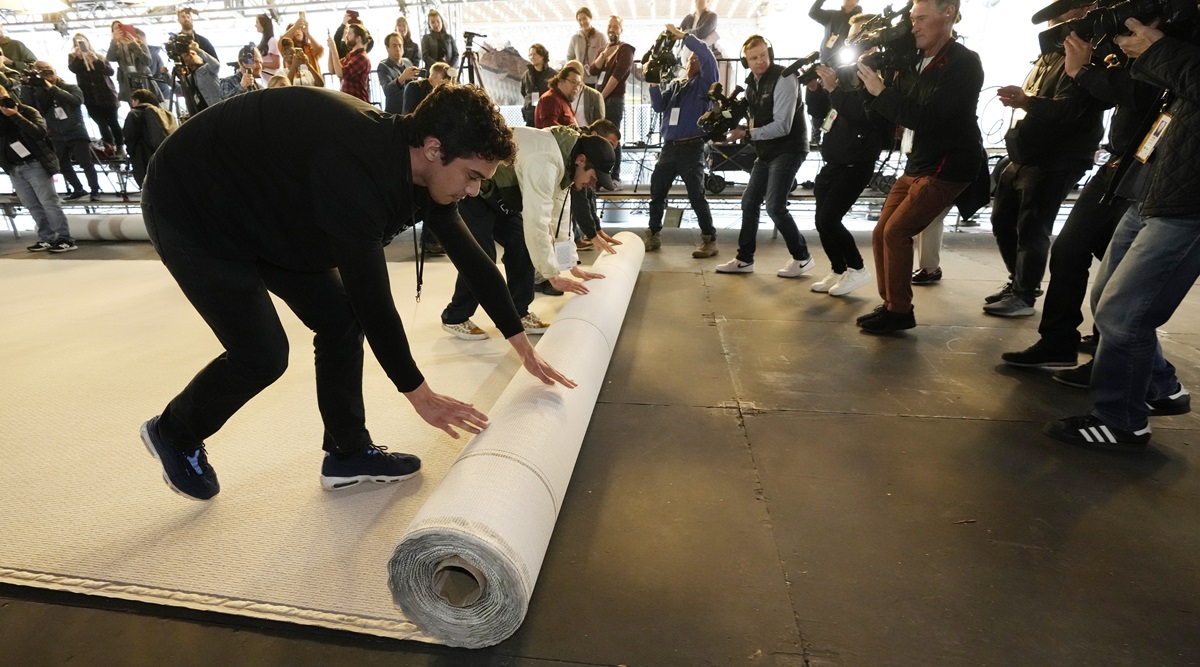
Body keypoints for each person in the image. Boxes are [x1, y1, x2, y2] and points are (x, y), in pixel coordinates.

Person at [137, 84, 575, 501]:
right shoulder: (355, 170)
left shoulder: (420, 170)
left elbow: (475, 259)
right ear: (434, 149)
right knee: (262, 354)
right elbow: (374, 299)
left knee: (340, 321)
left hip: (269, 210)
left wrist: (522, 344)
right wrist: (420, 395)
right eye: (472, 176)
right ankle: (174, 431)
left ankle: (347, 453)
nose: (475, 190)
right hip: (191, 205)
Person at [1045, 18, 1199, 449]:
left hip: (1186, 201)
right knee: (1107, 299)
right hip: (1152, 183)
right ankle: (1162, 386)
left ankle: (1122, 422)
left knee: (1123, 314)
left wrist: (1158, 48)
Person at [1001, 30, 1161, 372]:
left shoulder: (1173, 46)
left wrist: (1082, 71)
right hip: (1119, 162)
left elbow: (1137, 96)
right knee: (1069, 249)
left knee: (1122, 267)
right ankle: (1058, 342)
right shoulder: (1115, 50)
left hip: (1149, 166)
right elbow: (1108, 97)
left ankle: (1120, 361)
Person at [852, 0, 983, 334]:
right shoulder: (911, 62)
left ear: (948, 14)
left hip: (949, 164)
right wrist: (868, 86)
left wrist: (881, 91)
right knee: (883, 231)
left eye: (922, 18)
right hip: (920, 161)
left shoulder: (964, 64)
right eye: (912, 18)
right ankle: (892, 305)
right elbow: (893, 112)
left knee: (897, 231)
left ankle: (899, 311)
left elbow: (930, 119)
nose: (914, 26)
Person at [983, 5, 1105, 318]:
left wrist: (1026, 101)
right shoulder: (1050, 53)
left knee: (1033, 225)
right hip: (1028, 149)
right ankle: (1021, 282)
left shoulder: (1085, 53)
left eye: (1062, 12)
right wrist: (1024, 100)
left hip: (1060, 154)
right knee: (1003, 218)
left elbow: (1069, 110)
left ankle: (1024, 295)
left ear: (1082, 11)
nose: (1053, 20)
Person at [439, 126, 613, 340]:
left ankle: (518, 313)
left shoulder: (568, 159)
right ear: (582, 160)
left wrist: (570, 264)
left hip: (504, 194)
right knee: (481, 254)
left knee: (521, 243)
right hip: (478, 191)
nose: (592, 185)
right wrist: (551, 274)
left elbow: (560, 216)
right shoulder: (546, 160)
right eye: (594, 177)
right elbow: (537, 221)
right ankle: (455, 316)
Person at [715, 34, 813, 279]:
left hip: (788, 148)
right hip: (767, 152)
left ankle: (802, 258)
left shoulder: (784, 77)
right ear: (745, 60)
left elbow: (783, 126)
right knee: (749, 202)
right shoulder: (751, 85)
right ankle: (744, 259)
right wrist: (723, 122)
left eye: (763, 55)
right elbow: (745, 115)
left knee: (774, 206)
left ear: (770, 53)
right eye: (753, 58)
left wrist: (746, 133)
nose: (760, 61)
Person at [807, 31, 893, 297]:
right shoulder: (846, 73)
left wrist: (833, 88)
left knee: (830, 218)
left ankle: (857, 269)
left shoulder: (878, 74)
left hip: (857, 162)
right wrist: (815, 91)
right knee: (822, 221)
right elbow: (823, 113)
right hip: (834, 160)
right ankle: (839, 268)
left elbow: (861, 114)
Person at [644, 25, 719, 259]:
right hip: (670, 147)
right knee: (657, 192)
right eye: (691, 57)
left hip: (692, 146)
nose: (693, 59)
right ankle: (653, 234)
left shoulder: (706, 83)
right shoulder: (678, 85)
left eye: (696, 57)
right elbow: (658, 106)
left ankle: (709, 239)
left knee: (696, 195)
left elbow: (707, 56)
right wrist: (654, 83)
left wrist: (685, 37)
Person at [0, 82, 75, 253]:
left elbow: (39, 132)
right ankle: (46, 238)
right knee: (31, 205)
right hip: (13, 167)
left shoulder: (28, 111)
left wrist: (15, 115)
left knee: (49, 202)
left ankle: (64, 238)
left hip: (34, 164)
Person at [24, 61, 103, 203]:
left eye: (48, 70)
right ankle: (78, 188)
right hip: (56, 133)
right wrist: (33, 85)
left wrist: (52, 88)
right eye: (42, 71)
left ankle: (95, 190)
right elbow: (34, 106)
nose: (47, 74)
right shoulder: (40, 92)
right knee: (63, 164)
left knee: (85, 162)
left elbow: (76, 101)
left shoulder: (70, 87)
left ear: (55, 70)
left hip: (76, 131)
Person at [807, 0, 863, 146]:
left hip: (846, 66)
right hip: (827, 63)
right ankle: (817, 135)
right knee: (821, 97)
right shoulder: (832, 15)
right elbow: (813, 13)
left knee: (841, 101)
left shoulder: (860, 18)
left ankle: (839, 136)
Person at [589, 15, 635, 187]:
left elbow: (618, 75)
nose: (612, 29)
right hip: (600, 99)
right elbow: (593, 70)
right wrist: (603, 55)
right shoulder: (603, 50)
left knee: (612, 138)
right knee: (599, 137)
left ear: (621, 29)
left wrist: (602, 96)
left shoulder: (626, 49)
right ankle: (600, 175)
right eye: (610, 26)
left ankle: (614, 176)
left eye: (616, 26)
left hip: (613, 99)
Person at [67, 34, 124, 160]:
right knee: (101, 123)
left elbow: (110, 72)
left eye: (82, 41)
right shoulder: (73, 57)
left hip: (106, 94)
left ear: (88, 41)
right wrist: (79, 58)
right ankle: (109, 147)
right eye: (77, 42)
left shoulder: (98, 56)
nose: (80, 44)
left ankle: (120, 148)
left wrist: (95, 60)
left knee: (113, 122)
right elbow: (73, 69)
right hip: (90, 97)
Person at [122, 88, 176, 187]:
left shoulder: (134, 113)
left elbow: (130, 136)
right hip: (165, 158)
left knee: (150, 190)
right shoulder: (164, 113)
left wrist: (131, 152)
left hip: (144, 158)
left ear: (137, 100)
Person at [107, 22, 152, 105]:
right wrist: (114, 42)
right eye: (115, 29)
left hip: (143, 80)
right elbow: (110, 58)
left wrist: (134, 45)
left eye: (120, 27)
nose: (118, 31)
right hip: (128, 82)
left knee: (148, 106)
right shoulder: (117, 47)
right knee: (133, 107)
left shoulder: (139, 44)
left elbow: (147, 61)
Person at [329, 23, 371, 104]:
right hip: (349, 102)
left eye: (350, 33)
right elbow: (332, 69)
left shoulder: (362, 58)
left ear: (358, 38)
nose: (346, 36)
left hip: (358, 102)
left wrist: (334, 49)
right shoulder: (350, 55)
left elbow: (340, 73)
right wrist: (330, 49)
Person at [378, 32, 420, 114]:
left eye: (400, 45)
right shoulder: (383, 66)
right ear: (387, 48)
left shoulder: (407, 62)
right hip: (395, 113)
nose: (398, 48)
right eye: (394, 46)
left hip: (411, 110)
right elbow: (387, 90)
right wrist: (402, 78)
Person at [567, 7, 607, 88]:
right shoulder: (575, 38)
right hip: (579, 79)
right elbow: (570, 57)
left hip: (596, 79)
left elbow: (606, 57)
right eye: (579, 20)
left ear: (590, 18)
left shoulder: (600, 37)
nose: (582, 22)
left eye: (584, 18)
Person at [521, 44, 557, 127]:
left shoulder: (553, 75)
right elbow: (523, 92)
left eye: (535, 54)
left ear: (542, 56)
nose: (532, 57)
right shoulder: (526, 75)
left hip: (547, 115)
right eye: (530, 55)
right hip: (530, 116)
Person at [256, 14, 281, 87]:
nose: (255, 25)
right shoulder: (264, 42)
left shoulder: (272, 41)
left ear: (263, 24)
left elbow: (276, 64)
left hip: (273, 82)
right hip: (267, 82)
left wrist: (260, 64)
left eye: (257, 22)